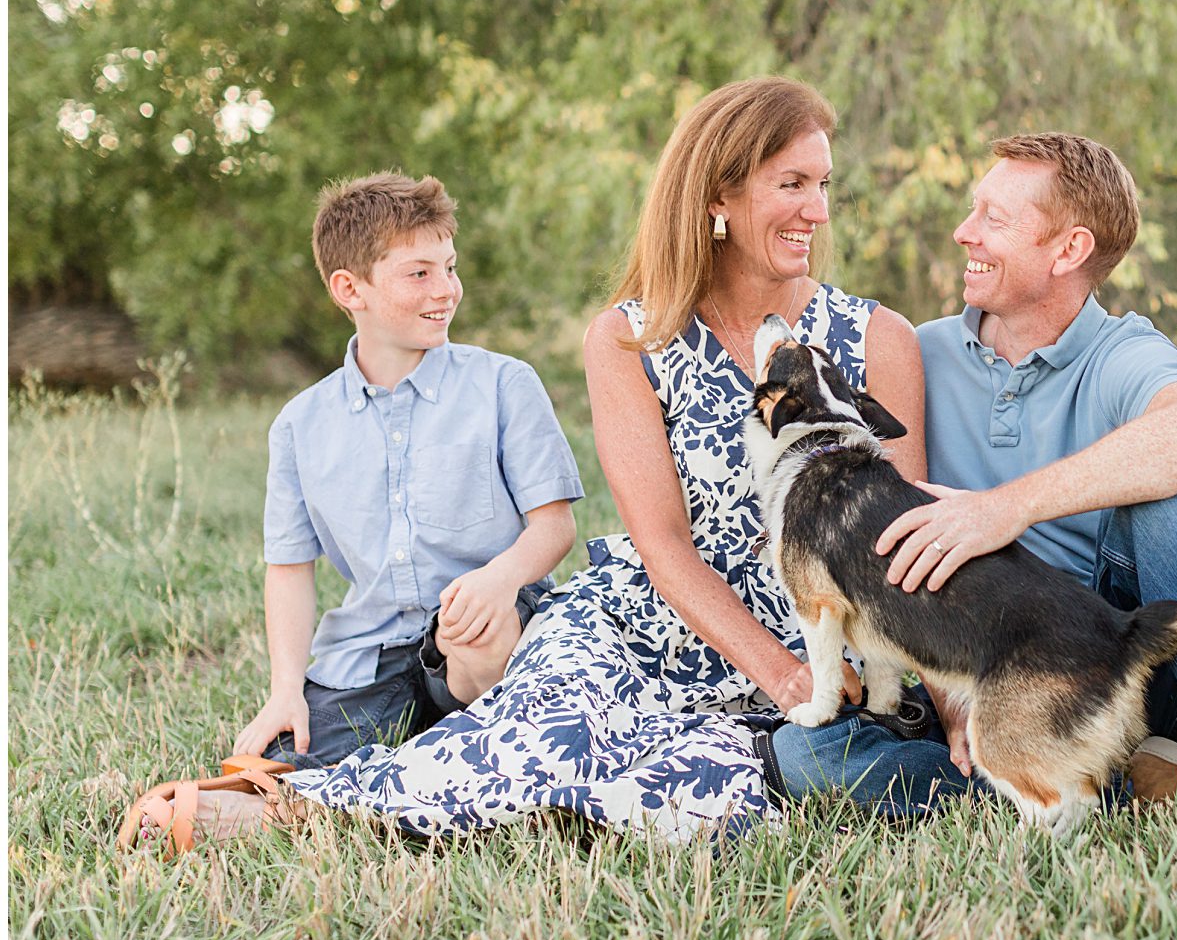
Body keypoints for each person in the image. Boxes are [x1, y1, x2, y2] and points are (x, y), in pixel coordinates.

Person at [125, 77, 928, 852]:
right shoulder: (628, 339)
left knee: (698, 786)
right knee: (548, 719)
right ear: (718, 195)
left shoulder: (876, 338)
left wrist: (829, 678)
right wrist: (782, 678)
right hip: (656, 619)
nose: (817, 211)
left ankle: (338, 800)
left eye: (824, 184)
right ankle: (290, 806)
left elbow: (899, 543)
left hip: (823, 632)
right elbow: (663, 546)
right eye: (792, 183)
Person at [773, 132, 1177, 873]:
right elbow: (890, 542)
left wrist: (1007, 507)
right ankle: (1092, 782)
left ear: (1068, 251)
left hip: (1111, 650)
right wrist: (953, 703)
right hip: (977, 656)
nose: (963, 231)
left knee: (1175, 513)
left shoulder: (1124, 352)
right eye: (974, 210)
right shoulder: (919, 350)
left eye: (994, 219)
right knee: (806, 756)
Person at [122, 172, 583, 849]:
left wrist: (499, 578)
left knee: (473, 637)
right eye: (418, 273)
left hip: (493, 633)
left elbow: (554, 525)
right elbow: (289, 567)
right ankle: (341, 797)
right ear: (350, 290)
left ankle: (492, 779)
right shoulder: (301, 424)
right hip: (367, 652)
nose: (445, 290)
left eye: (449, 268)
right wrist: (286, 688)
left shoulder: (503, 384)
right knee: (286, 760)